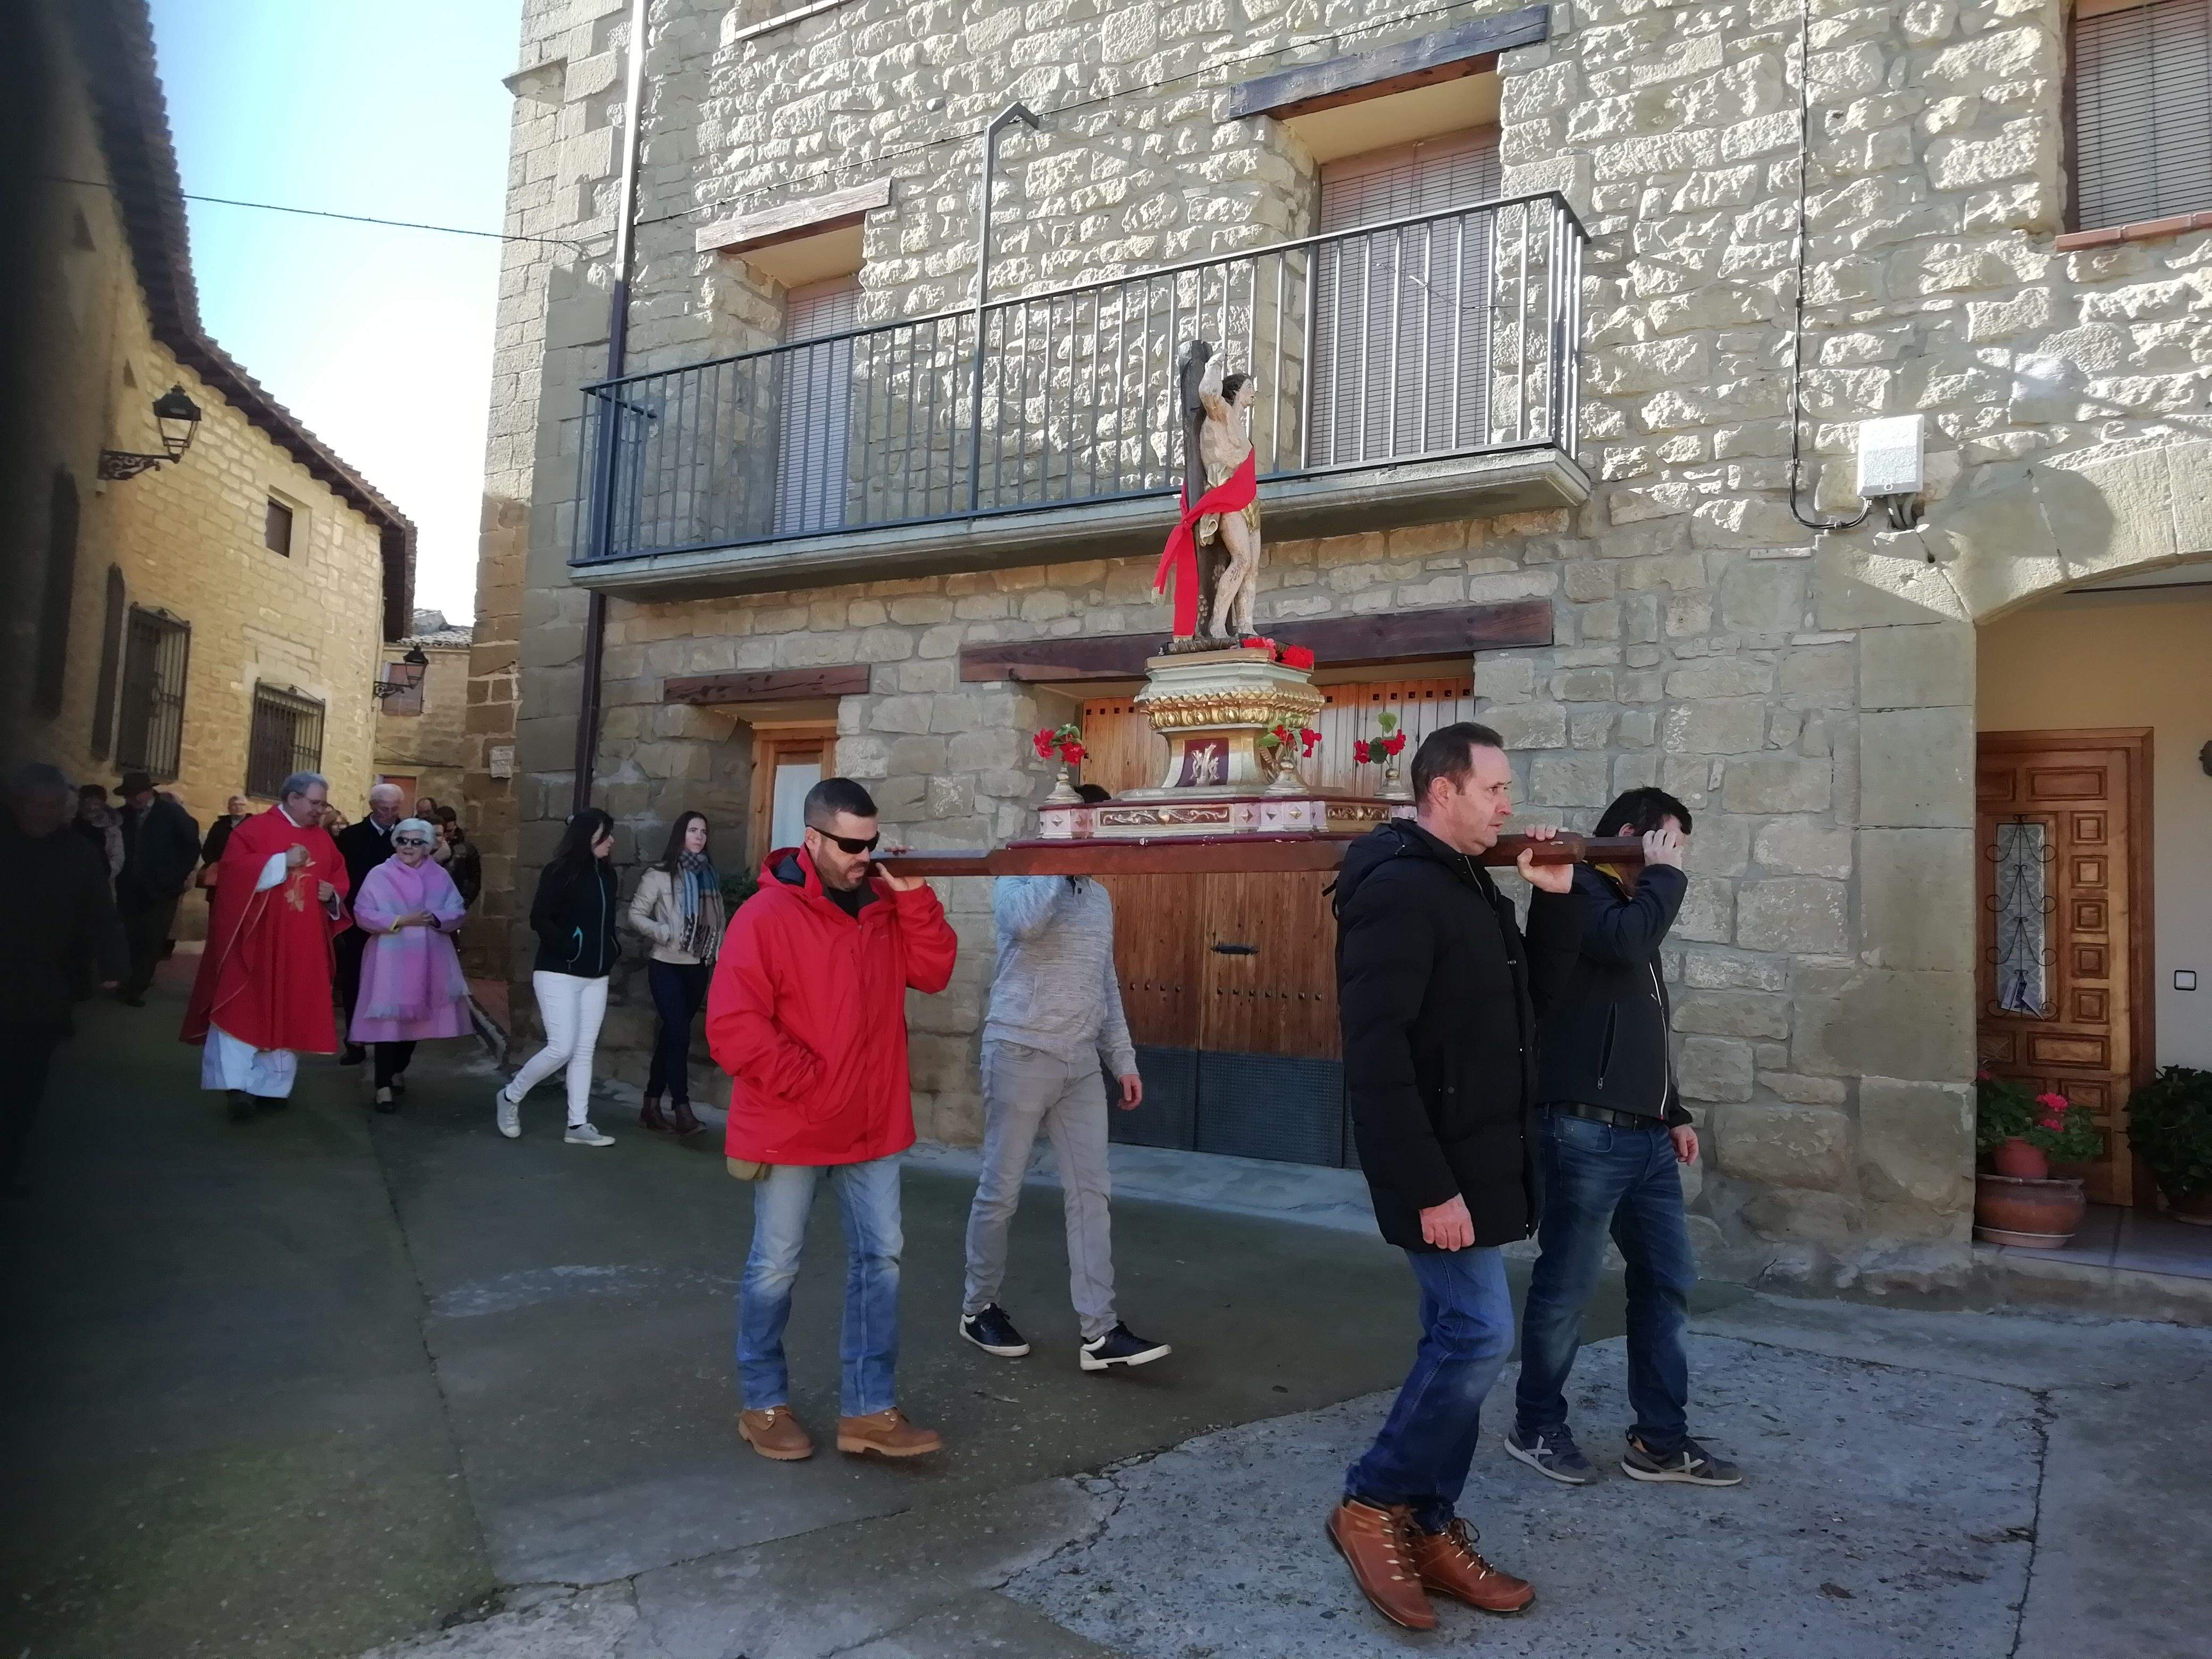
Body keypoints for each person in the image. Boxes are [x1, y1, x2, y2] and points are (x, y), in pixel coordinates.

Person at [1328, 723, 1583, 1632]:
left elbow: (1525, 1016)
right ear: (1443, 790)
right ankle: (1372, 1503)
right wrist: (1429, 1187)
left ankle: (1429, 1526)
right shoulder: (1399, 889)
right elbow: (1377, 1054)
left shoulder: (1470, 883)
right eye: (1495, 789)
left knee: (1457, 1339)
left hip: (1481, 1157)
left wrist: (1554, 905)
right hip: (1437, 1166)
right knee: (1477, 1335)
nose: (1509, 805)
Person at [708, 778, 958, 1463]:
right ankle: (762, 1403)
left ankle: (869, 1411)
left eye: (871, 843)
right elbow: (733, 1027)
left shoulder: (883, 906)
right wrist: (813, 1085)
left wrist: (915, 901)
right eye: (850, 845)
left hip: (872, 1125)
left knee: (881, 1260)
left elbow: (933, 974)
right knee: (775, 1266)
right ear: (812, 838)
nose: (863, 856)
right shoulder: (765, 916)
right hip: (792, 1123)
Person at [1509, 789, 1740, 1489]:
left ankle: (1660, 1442)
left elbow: (1646, 1023)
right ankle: (1536, 1426)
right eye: (1669, 843)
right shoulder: (1577, 888)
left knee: (1667, 1281)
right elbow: (1625, 942)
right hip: (1584, 1131)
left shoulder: (1634, 903)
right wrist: (1665, 876)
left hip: (1645, 1139)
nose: (1675, 859)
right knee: (1568, 1285)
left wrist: (1674, 1111)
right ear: (1635, 835)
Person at [959, 830, 1170, 1372]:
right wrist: (1054, 864)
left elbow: (1105, 983)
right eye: (1081, 837)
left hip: (1080, 1063)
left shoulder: (1098, 898)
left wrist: (1122, 1060)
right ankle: (977, 1308)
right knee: (1000, 1191)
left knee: (1091, 1194)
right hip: (1019, 1052)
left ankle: (1100, 1333)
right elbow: (1024, 924)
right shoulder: (1018, 878)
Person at [181, 772, 349, 1120]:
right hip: (253, 940)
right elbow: (230, 874)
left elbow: (338, 878)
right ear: (293, 798)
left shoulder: (323, 839)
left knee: (289, 1009)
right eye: (315, 803)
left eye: (323, 804)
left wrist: (332, 895)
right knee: (244, 1005)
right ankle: (236, 1086)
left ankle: (272, 1087)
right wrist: (279, 862)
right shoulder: (254, 830)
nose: (321, 811)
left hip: (302, 944)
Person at [1, 766, 127, 1194]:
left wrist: (113, 964)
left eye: (55, 808)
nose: (46, 815)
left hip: (41, 990)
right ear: (17, 804)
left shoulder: (78, 853)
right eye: (38, 807)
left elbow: (100, 912)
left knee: (23, 1087)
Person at [492, 807, 620, 1146]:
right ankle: (510, 1096)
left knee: (584, 1050)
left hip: (597, 975)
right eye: (606, 834)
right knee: (562, 1048)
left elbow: (607, 923)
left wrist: (611, 949)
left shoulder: (608, 875)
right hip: (558, 972)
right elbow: (540, 917)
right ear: (588, 835)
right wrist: (569, 947)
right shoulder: (559, 871)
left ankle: (577, 1124)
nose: (612, 841)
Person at [348, 818, 471, 1113]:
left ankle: (398, 1070)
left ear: (428, 847)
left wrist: (436, 918)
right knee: (388, 1023)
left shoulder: (440, 876)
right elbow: (362, 913)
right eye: (403, 840)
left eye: (417, 842)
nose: (408, 847)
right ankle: (383, 1086)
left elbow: (457, 910)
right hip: (389, 958)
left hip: (429, 957)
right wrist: (400, 920)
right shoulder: (380, 874)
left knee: (417, 1020)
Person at [626, 810, 723, 1137]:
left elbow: (717, 921)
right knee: (679, 1034)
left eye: (703, 832)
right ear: (681, 834)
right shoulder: (659, 875)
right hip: (666, 963)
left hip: (697, 966)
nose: (699, 837)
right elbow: (636, 915)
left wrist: (716, 951)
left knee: (672, 1035)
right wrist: (664, 932)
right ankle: (682, 1108)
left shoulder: (710, 875)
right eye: (693, 830)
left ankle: (651, 1105)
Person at [112, 770, 201, 1005]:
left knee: (152, 939)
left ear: (150, 791)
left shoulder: (171, 813)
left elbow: (191, 846)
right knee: (129, 936)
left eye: (138, 793)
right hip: (129, 887)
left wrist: (176, 877)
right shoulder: (122, 816)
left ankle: (137, 987)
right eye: (130, 795)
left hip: (162, 889)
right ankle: (127, 980)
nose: (134, 799)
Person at [334, 784, 407, 1064]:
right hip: (359, 921)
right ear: (372, 807)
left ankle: (391, 1047)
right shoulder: (350, 837)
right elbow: (342, 877)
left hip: (400, 922)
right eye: (384, 809)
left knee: (396, 983)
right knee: (356, 979)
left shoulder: (408, 835)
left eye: (394, 809)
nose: (389, 815)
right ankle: (355, 1042)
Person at [74, 783, 123, 881]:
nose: (92, 808)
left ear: (103, 804)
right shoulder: (70, 824)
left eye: (96, 804)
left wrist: (101, 876)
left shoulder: (111, 829)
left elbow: (117, 858)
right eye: (87, 804)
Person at [440, 811, 481, 904]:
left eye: (449, 831)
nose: (446, 835)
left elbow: (474, 879)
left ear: (455, 827)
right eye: (443, 832)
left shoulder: (466, 849)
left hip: (456, 900)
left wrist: (465, 902)